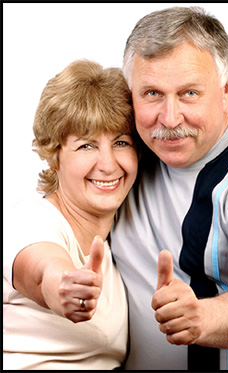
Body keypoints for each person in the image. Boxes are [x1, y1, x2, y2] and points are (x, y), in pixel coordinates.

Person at [111, 6, 228, 370]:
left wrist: (200, 318)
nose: (170, 118)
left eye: (189, 93)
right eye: (152, 93)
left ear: (227, 90)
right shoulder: (121, 157)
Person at [3, 59, 138, 370]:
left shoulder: (117, 250)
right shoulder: (29, 219)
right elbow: (41, 270)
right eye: (86, 146)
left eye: (120, 142)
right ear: (54, 157)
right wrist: (60, 285)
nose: (107, 164)